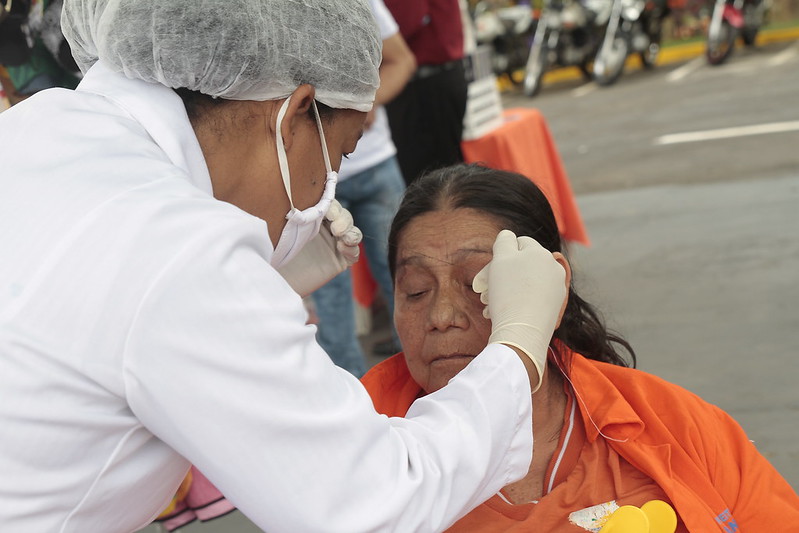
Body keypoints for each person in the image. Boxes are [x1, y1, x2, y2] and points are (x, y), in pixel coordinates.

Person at [0, 1, 569, 532]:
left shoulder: (40, 125)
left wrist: (251, 288)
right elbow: (372, 503)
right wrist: (517, 349)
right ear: (295, 114)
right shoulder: (179, 250)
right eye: (340, 154)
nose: (327, 189)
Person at [361, 163, 799, 532]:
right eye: (416, 291)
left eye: (477, 282)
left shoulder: (672, 424)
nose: (441, 316)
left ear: (547, 287)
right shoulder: (355, 443)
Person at [310, 0, 415, 377]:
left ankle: (425, 385)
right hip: (312, 178)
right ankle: (352, 404)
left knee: (409, 277)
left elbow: (400, 59)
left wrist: (366, 101)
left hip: (374, 166)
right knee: (329, 302)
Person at [383, 0, 469, 185]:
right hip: (436, 78)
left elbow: (406, 20)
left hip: (424, 84)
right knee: (443, 174)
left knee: (431, 181)